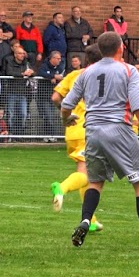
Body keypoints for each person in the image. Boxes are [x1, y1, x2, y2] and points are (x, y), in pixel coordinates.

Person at [59, 32, 139, 251]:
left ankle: (86, 220)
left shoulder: (86, 73)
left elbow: (66, 104)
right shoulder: (128, 70)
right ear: (120, 48)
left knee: (95, 182)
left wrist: (67, 119)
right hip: (119, 130)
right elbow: (138, 106)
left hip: (93, 132)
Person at [50, 47, 102, 231]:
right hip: (90, 130)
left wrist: (66, 114)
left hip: (72, 129)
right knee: (87, 175)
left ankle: (92, 220)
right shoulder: (102, 76)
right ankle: (62, 188)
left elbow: (56, 97)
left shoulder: (74, 75)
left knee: (87, 175)